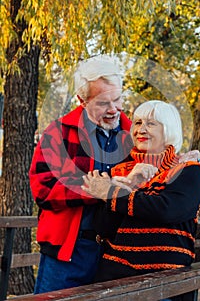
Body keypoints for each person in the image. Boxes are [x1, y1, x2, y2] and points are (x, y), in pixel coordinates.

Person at [29, 56, 133, 293]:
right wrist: (94, 190)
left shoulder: (135, 134)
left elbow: (165, 169)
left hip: (116, 253)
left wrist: (192, 163)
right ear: (82, 101)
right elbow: (43, 190)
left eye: (117, 99)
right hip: (69, 251)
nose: (113, 109)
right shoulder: (57, 133)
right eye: (103, 103)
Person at [82, 100, 200, 300]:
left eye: (151, 124)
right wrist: (129, 183)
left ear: (168, 130)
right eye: (137, 123)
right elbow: (103, 227)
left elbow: (168, 210)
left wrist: (113, 193)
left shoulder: (187, 168)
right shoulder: (122, 170)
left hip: (165, 282)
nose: (141, 129)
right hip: (116, 279)